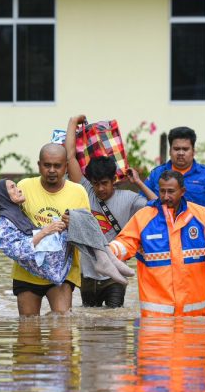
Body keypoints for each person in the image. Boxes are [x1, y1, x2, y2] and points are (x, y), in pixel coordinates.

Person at [65, 114, 157, 307]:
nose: (100, 189)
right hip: (87, 274)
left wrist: (139, 182)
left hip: (115, 275)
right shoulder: (85, 190)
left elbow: (159, 206)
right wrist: (73, 122)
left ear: (114, 180)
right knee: (91, 325)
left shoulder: (130, 199)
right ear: (90, 182)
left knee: (115, 319)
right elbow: (70, 156)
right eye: (96, 184)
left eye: (105, 183)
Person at [108, 170, 205, 317]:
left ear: (182, 191)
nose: (165, 196)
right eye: (162, 191)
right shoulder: (143, 217)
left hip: (195, 317)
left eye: (171, 191)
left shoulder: (200, 215)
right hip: (155, 318)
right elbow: (124, 243)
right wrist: (107, 252)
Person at [12, 143, 91, 316]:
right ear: (39, 165)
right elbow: (10, 223)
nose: (52, 170)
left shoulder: (78, 192)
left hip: (62, 272)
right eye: (47, 165)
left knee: (62, 332)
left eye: (57, 165)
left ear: (66, 167)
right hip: (27, 271)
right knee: (28, 333)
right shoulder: (24, 187)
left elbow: (88, 231)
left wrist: (74, 224)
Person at [142, 126, 205, 270]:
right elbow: (140, 209)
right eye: (176, 149)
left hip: (197, 245)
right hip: (161, 246)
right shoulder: (156, 175)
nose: (180, 153)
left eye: (185, 149)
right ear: (170, 150)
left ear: (193, 151)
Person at [0, 179, 70, 284]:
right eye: (13, 187)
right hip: (45, 275)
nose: (19, 190)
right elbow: (18, 251)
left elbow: (29, 234)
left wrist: (59, 227)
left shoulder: (17, 213)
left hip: (57, 271)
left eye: (16, 186)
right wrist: (46, 231)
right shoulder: (1, 224)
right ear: (2, 195)